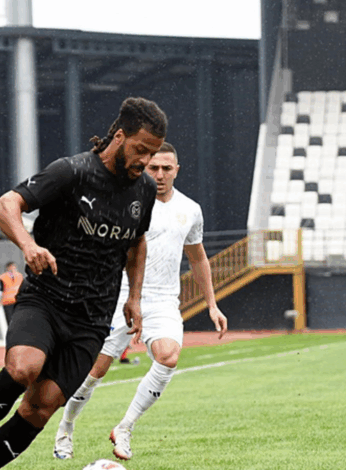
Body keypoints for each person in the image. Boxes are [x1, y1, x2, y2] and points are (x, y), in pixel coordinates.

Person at [0, 96, 167, 470]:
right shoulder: (72, 172)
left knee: (42, 406)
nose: (145, 161)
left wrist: (134, 297)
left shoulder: (144, 190)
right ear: (119, 136)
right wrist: (28, 244)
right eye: (141, 149)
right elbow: (5, 205)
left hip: (93, 317)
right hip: (47, 298)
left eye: (152, 153)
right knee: (24, 368)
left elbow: (136, 243)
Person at [53, 142, 228, 461]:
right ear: (144, 167)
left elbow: (198, 258)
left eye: (166, 168)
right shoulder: (123, 200)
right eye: (153, 168)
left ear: (177, 170)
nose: (160, 174)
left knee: (168, 356)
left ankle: (125, 427)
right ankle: (66, 427)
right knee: (94, 371)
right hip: (119, 295)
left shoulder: (190, 209)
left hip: (163, 300)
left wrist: (212, 305)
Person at [0, 262, 23, 326]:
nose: (13, 269)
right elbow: (0, 290)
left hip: (18, 301)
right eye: (12, 267)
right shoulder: (3, 278)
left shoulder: (19, 276)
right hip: (8, 302)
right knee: (11, 321)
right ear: (8, 268)